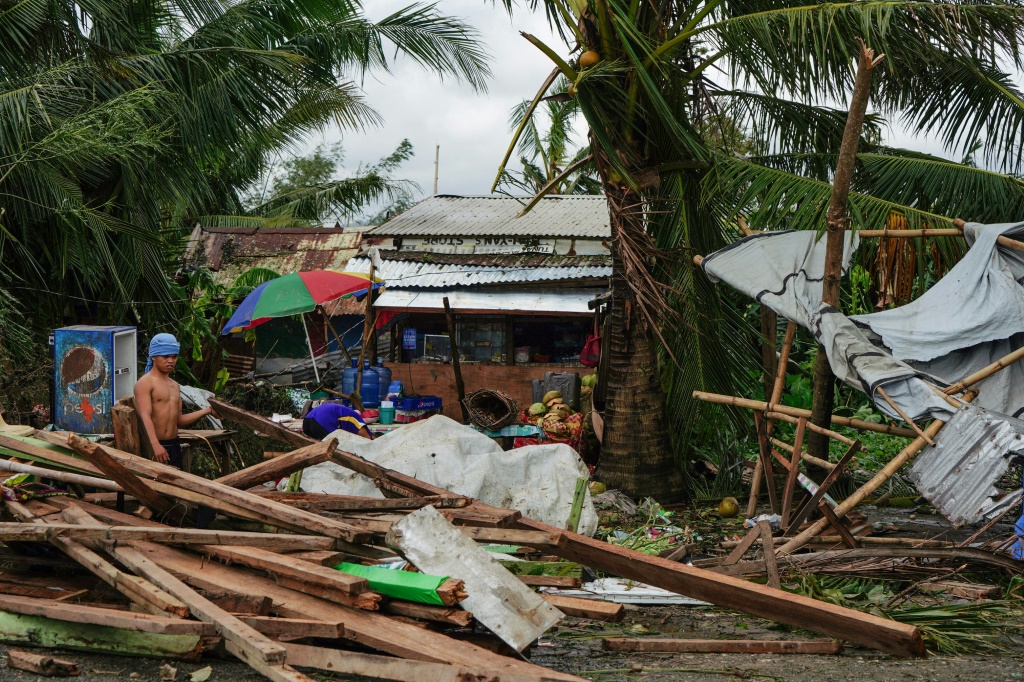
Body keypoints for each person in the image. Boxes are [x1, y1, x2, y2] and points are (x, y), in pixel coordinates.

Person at [134, 333, 215, 469]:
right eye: (165, 356)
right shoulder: (145, 383)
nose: (171, 360)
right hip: (154, 446)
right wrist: (155, 445)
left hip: (174, 445)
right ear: (153, 356)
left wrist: (208, 411)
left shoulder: (175, 386)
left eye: (174, 356)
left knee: (177, 487)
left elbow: (179, 420)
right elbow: (144, 416)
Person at [303, 402, 372, 440]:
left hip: (307, 420)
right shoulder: (359, 423)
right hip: (320, 421)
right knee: (333, 448)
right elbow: (367, 439)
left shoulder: (349, 415)